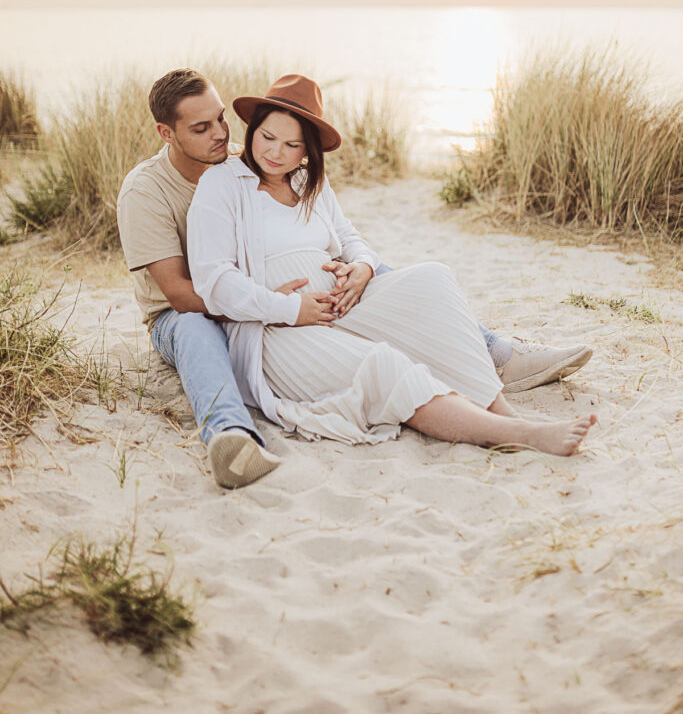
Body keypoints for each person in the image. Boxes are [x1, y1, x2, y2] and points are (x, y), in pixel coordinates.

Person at [117, 69, 592, 490]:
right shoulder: (198, 185)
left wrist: (362, 268)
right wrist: (288, 309)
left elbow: (349, 237)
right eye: (203, 128)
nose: (223, 134)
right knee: (380, 364)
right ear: (168, 132)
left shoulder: (296, 177)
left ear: (306, 150)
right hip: (244, 320)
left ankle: (502, 384)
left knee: (433, 279)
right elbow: (192, 289)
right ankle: (230, 433)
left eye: (222, 120)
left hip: (330, 306)